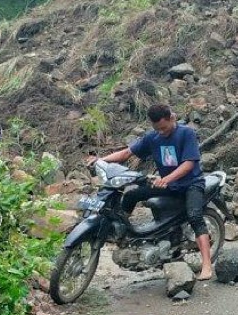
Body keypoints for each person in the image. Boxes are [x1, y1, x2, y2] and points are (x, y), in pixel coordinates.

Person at [87, 104, 214, 280]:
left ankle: (207, 265)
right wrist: (101, 160)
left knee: (195, 217)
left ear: (172, 117)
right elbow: (126, 153)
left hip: (191, 184)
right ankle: (125, 236)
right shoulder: (153, 137)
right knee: (131, 195)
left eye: (163, 127)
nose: (161, 132)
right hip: (167, 186)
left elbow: (188, 164)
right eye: (157, 129)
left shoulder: (187, 133)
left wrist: (167, 179)